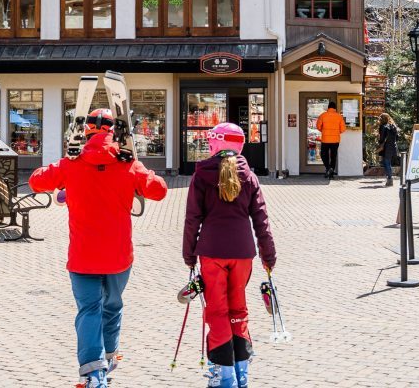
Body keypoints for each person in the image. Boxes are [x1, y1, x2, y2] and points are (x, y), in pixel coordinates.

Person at [29, 108, 168, 388]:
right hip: (118, 255)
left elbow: (36, 181)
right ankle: (108, 355)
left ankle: (93, 372)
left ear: (86, 130)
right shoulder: (128, 164)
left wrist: (66, 158)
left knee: (89, 310)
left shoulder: (71, 163)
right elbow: (160, 190)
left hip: (83, 256)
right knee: (112, 306)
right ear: (113, 131)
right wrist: (137, 162)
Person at [183, 122, 276, 388]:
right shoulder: (250, 176)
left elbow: (192, 220)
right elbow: (262, 221)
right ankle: (241, 370)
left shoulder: (201, 175)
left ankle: (224, 376)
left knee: (217, 311)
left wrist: (189, 255)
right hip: (242, 253)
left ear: (216, 143)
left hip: (211, 252)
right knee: (238, 309)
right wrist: (268, 256)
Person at [316, 101, 345, 179]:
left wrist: (324, 131)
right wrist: (336, 132)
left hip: (325, 139)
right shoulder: (339, 116)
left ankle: (328, 168)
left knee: (323, 154)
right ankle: (331, 172)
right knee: (333, 155)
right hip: (335, 140)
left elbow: (318, 126)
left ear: (328, 108)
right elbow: (343, 129)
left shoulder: (323, 115)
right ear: (335, 108)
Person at [377, 113, 400, 187]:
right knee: (388, 163)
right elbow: (397, 138)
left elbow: (382, 139)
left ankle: (390, 180)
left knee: (386, 163)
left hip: (386, 148)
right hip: (393, 147)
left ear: (382, 119)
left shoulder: (383, 127)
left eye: (380, 119)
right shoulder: (393, 126)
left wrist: (379, 140)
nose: (379, 120)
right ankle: (389, 179)